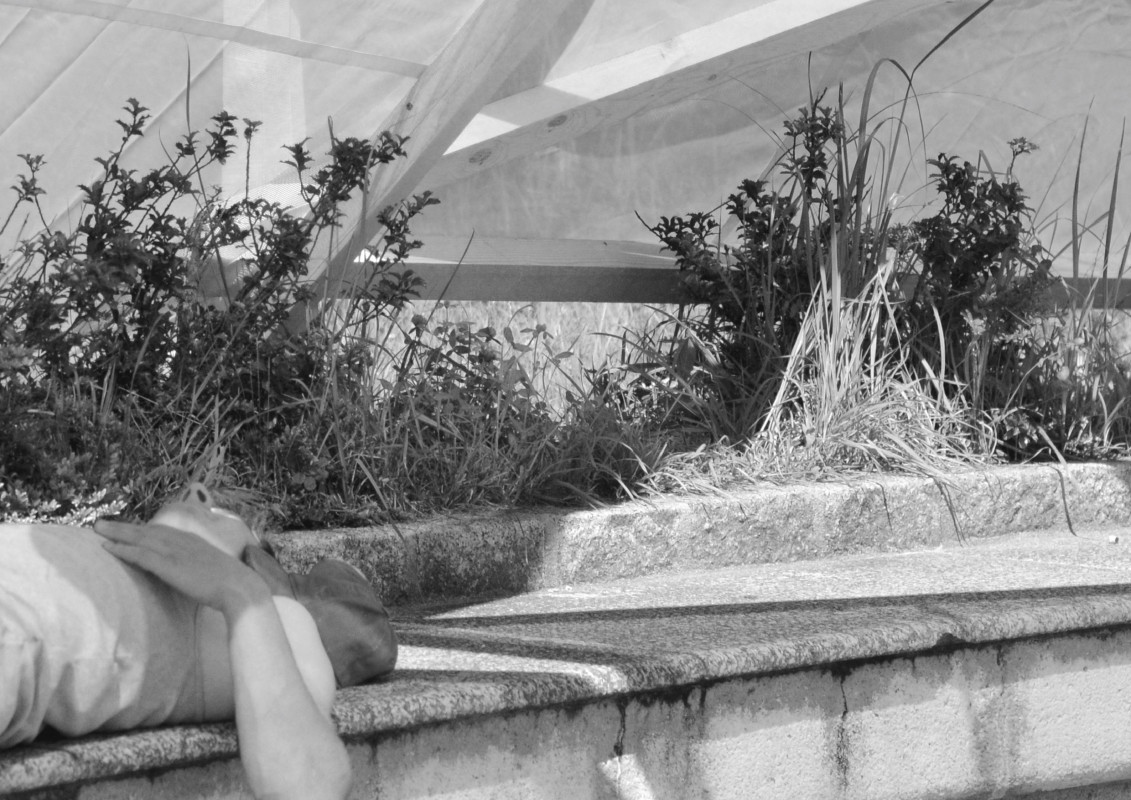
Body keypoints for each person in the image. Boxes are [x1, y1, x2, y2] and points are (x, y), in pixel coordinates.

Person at [0, 483, 396, 800]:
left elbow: (310, 784)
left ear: (263, 566)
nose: (194, 492)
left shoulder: (274, 617)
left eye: (224, 514)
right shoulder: (87, 548)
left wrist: (239, 591)